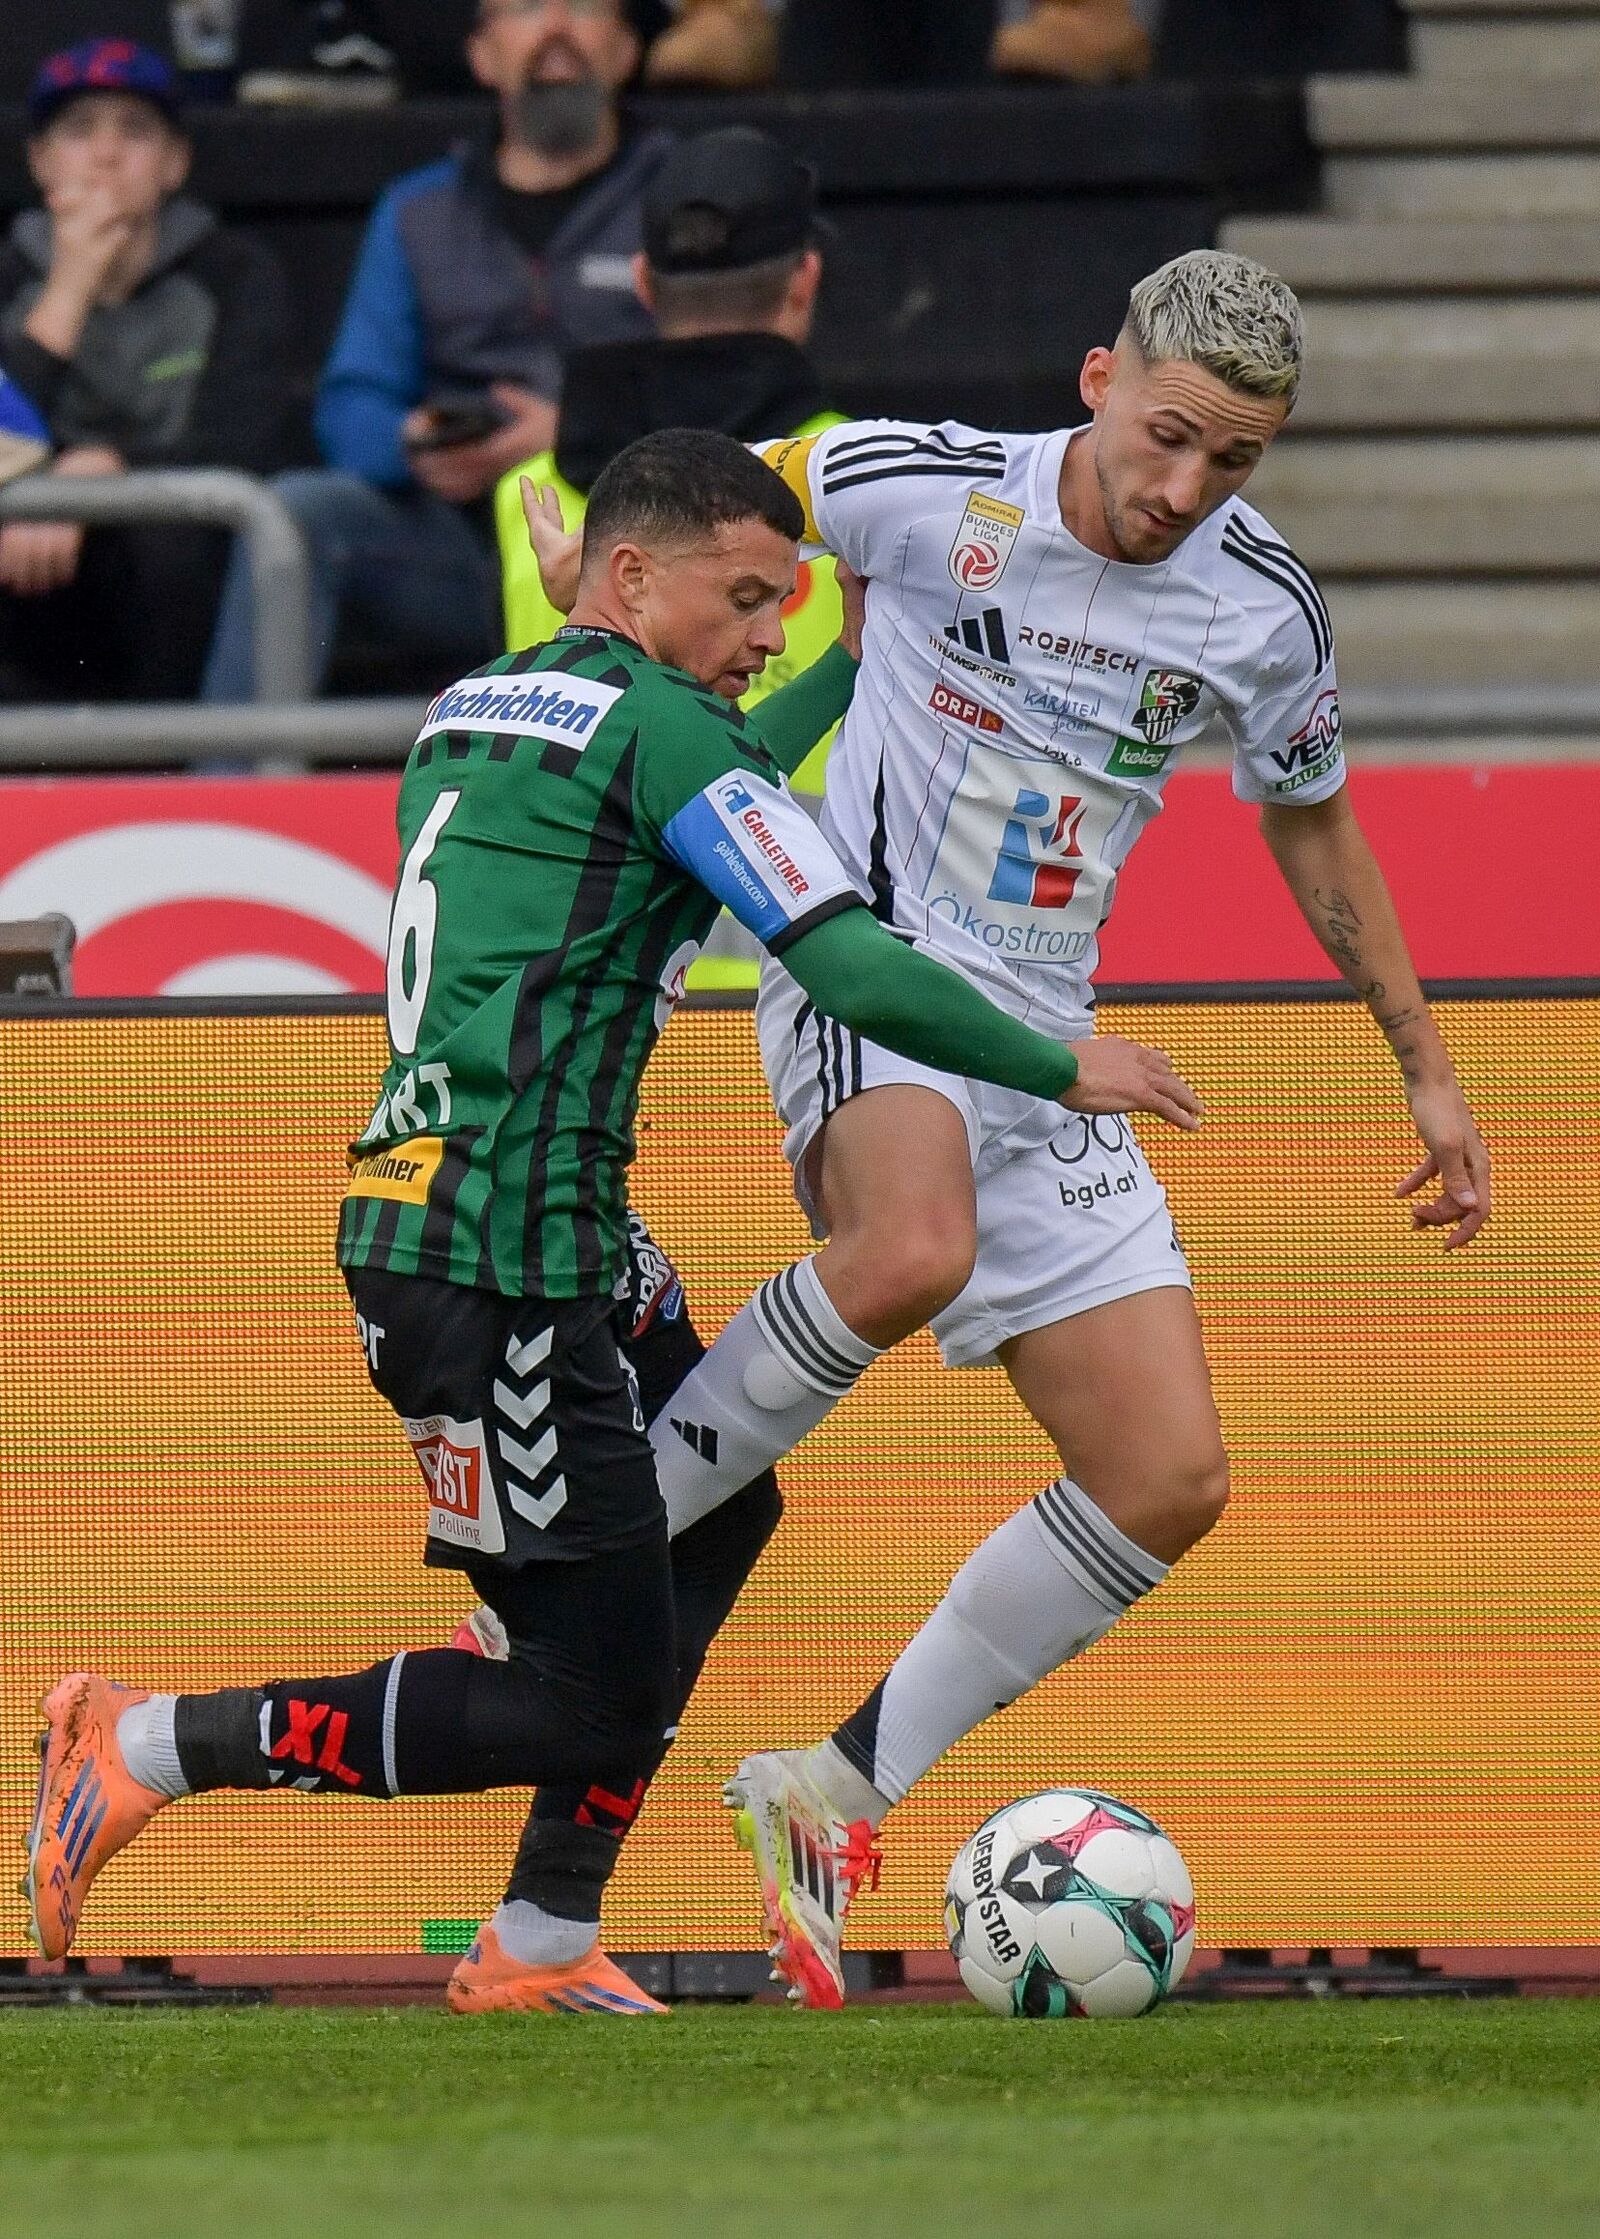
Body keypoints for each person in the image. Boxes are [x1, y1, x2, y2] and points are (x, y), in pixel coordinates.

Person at [25, 427, 1198, 2016]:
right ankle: (149, 1741)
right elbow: (846, 960)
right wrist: (1063, 1060)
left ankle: (543, 1930)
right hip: (491, 1257)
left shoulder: (485, 699)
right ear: (633, 576)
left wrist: (853, 673)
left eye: (785, 602)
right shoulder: (665, 732)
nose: (770, 629)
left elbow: (699, 771)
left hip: (535, 1223)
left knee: (726, 1507)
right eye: (748, 597)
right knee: (579, 1702)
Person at [514, 250, 1494, 2008]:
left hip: (1051, 1041)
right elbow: (722, 505)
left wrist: (1422, 1061)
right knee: (908, 1244)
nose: (1184, 487)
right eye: (1168, 435)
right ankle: (573, 1554)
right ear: (1099, 375)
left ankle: (830, 1790)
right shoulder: (913, 481)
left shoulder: (1263, 608)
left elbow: (1315, 824)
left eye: (1235, 460)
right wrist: (594, 575)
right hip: (865, 964)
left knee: (1167, 1476)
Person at [201, 0, 668, 701]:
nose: (555, 29)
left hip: (643, 541)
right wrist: (416, 443)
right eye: (526, 7)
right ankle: (236, 774)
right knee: (297, 514)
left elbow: (729, 382)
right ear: (481, 54)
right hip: (463, 549)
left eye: (582, 4)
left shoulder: (682, 198)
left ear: (628, 50)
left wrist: (574, 434)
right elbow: (352, 402)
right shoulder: (419, 209)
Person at [497, 125, 847, 798]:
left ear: (642, 282)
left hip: (588, 852)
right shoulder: (875, 477)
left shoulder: (527, 490)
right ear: (806, 279)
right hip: (805, 853)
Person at [0, 39, 290, 701]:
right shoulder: (9, 277)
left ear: (174, 162)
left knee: (178, 541)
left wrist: (104, 469)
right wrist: (69, 287)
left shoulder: (234, 275)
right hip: (25, 557)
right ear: (40, 161)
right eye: (80, 131)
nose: (107, 155)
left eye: (134, 131)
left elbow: (245, 442)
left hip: (172, 573)